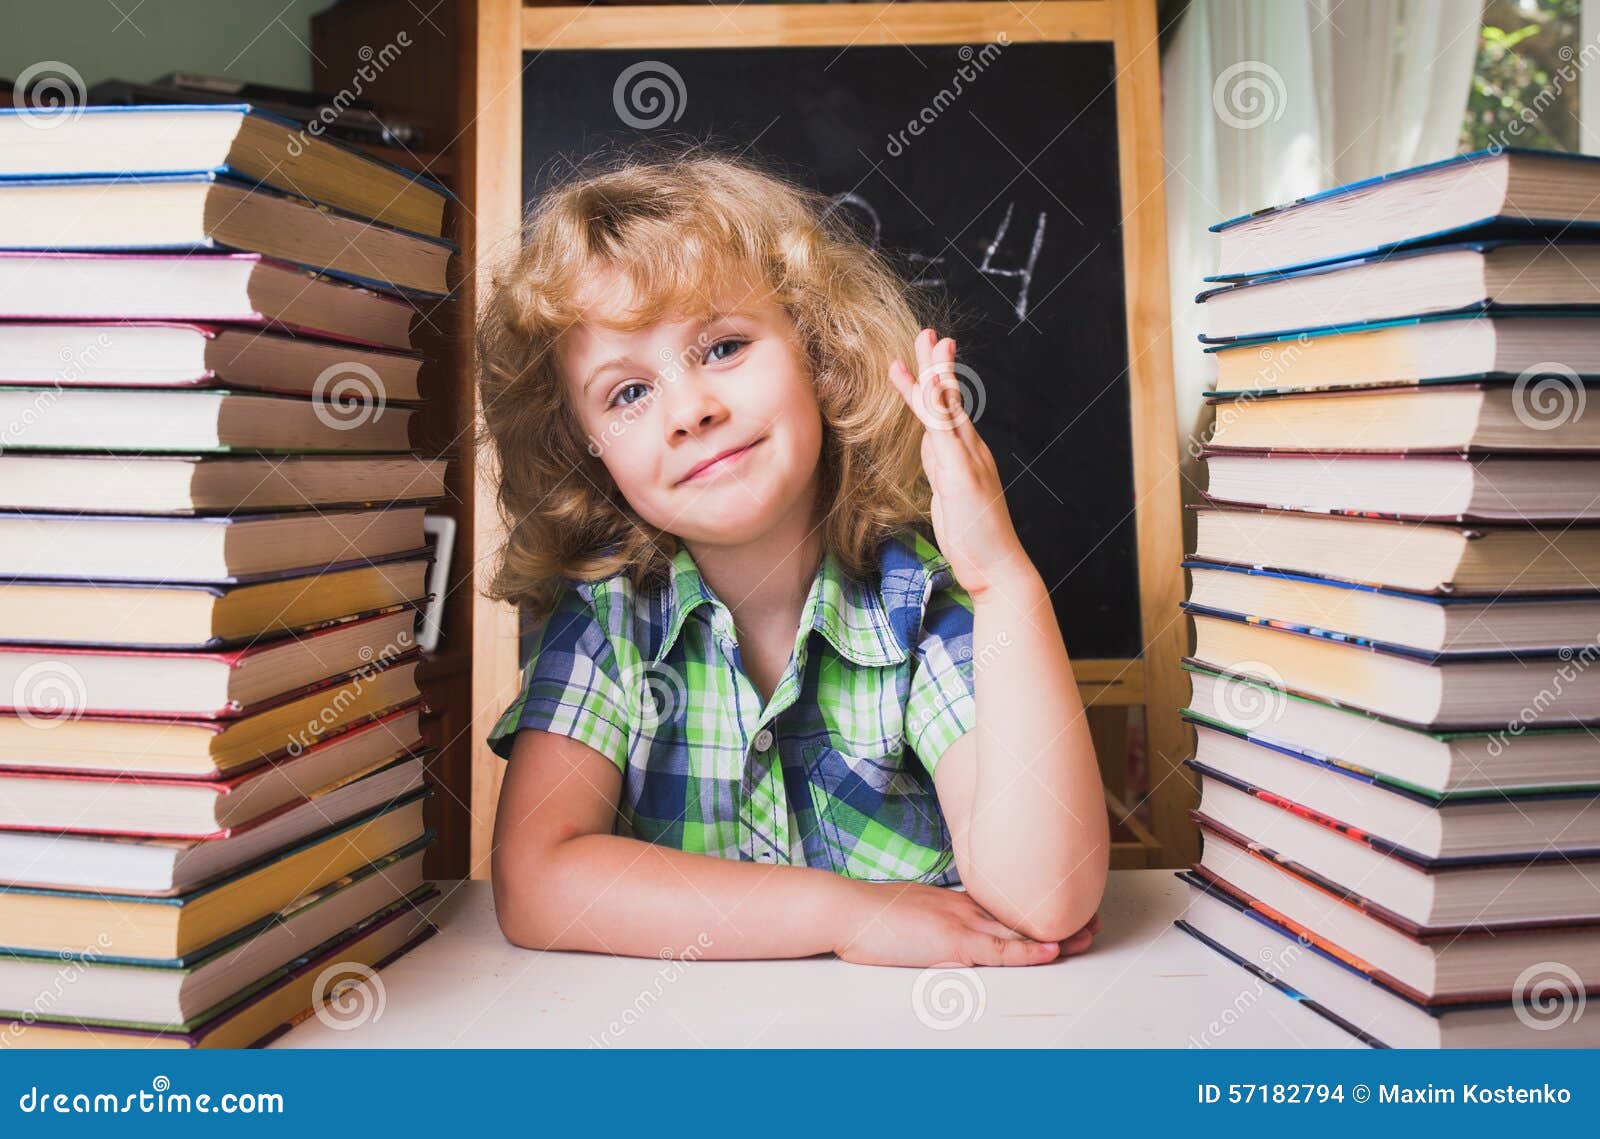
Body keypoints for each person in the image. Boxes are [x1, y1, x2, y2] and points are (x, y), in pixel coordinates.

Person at [477, 145, 1107, 967]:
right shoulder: (606, 623)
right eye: (629, 393)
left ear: (818, 350)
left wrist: (1004, 580)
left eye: (723, 347)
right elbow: (535, 883)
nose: (691, 410)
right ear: (585, 446)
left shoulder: (919, 604)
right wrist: (849, 916)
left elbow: (1046, 896)